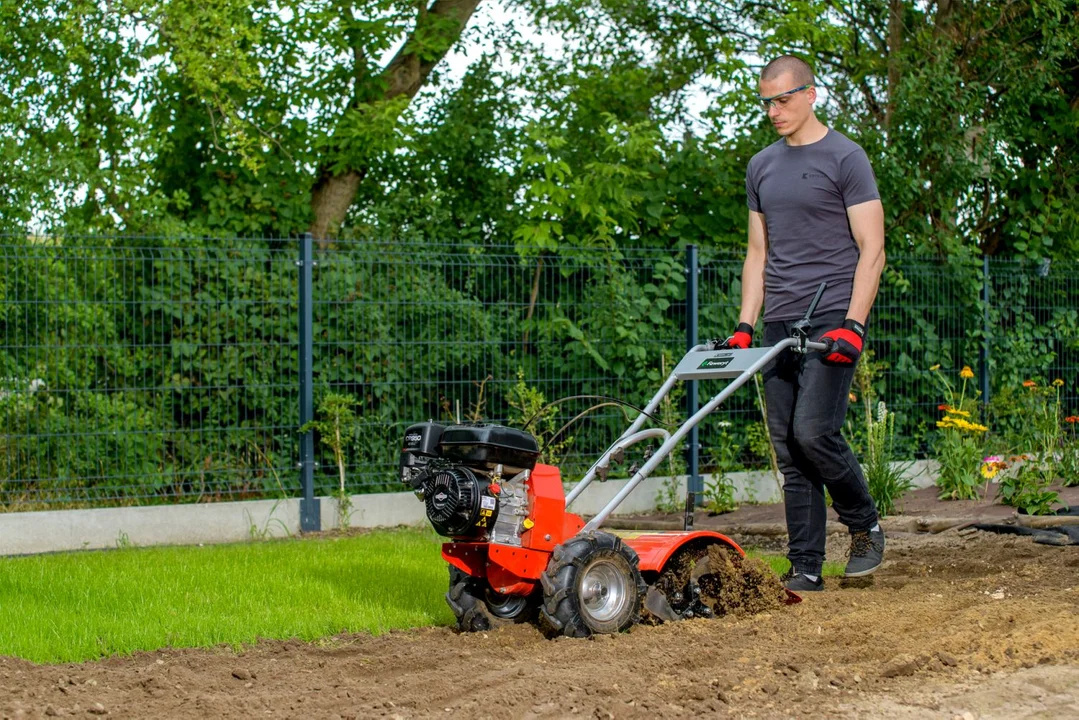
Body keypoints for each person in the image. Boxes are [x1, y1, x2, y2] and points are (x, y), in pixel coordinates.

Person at [725, 55, 886, 592]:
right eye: (766, 101)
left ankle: (864, 525)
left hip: (832, 320)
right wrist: (746, 325)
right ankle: (806, 566)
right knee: (790, 451)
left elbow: (873, 249)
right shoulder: (761, 166)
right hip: (780, 322)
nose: (774, 110)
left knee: (815, 432)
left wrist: (854, 325)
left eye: (784, 99)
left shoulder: (846, 157)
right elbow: (757, 253)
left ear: (811, 94)